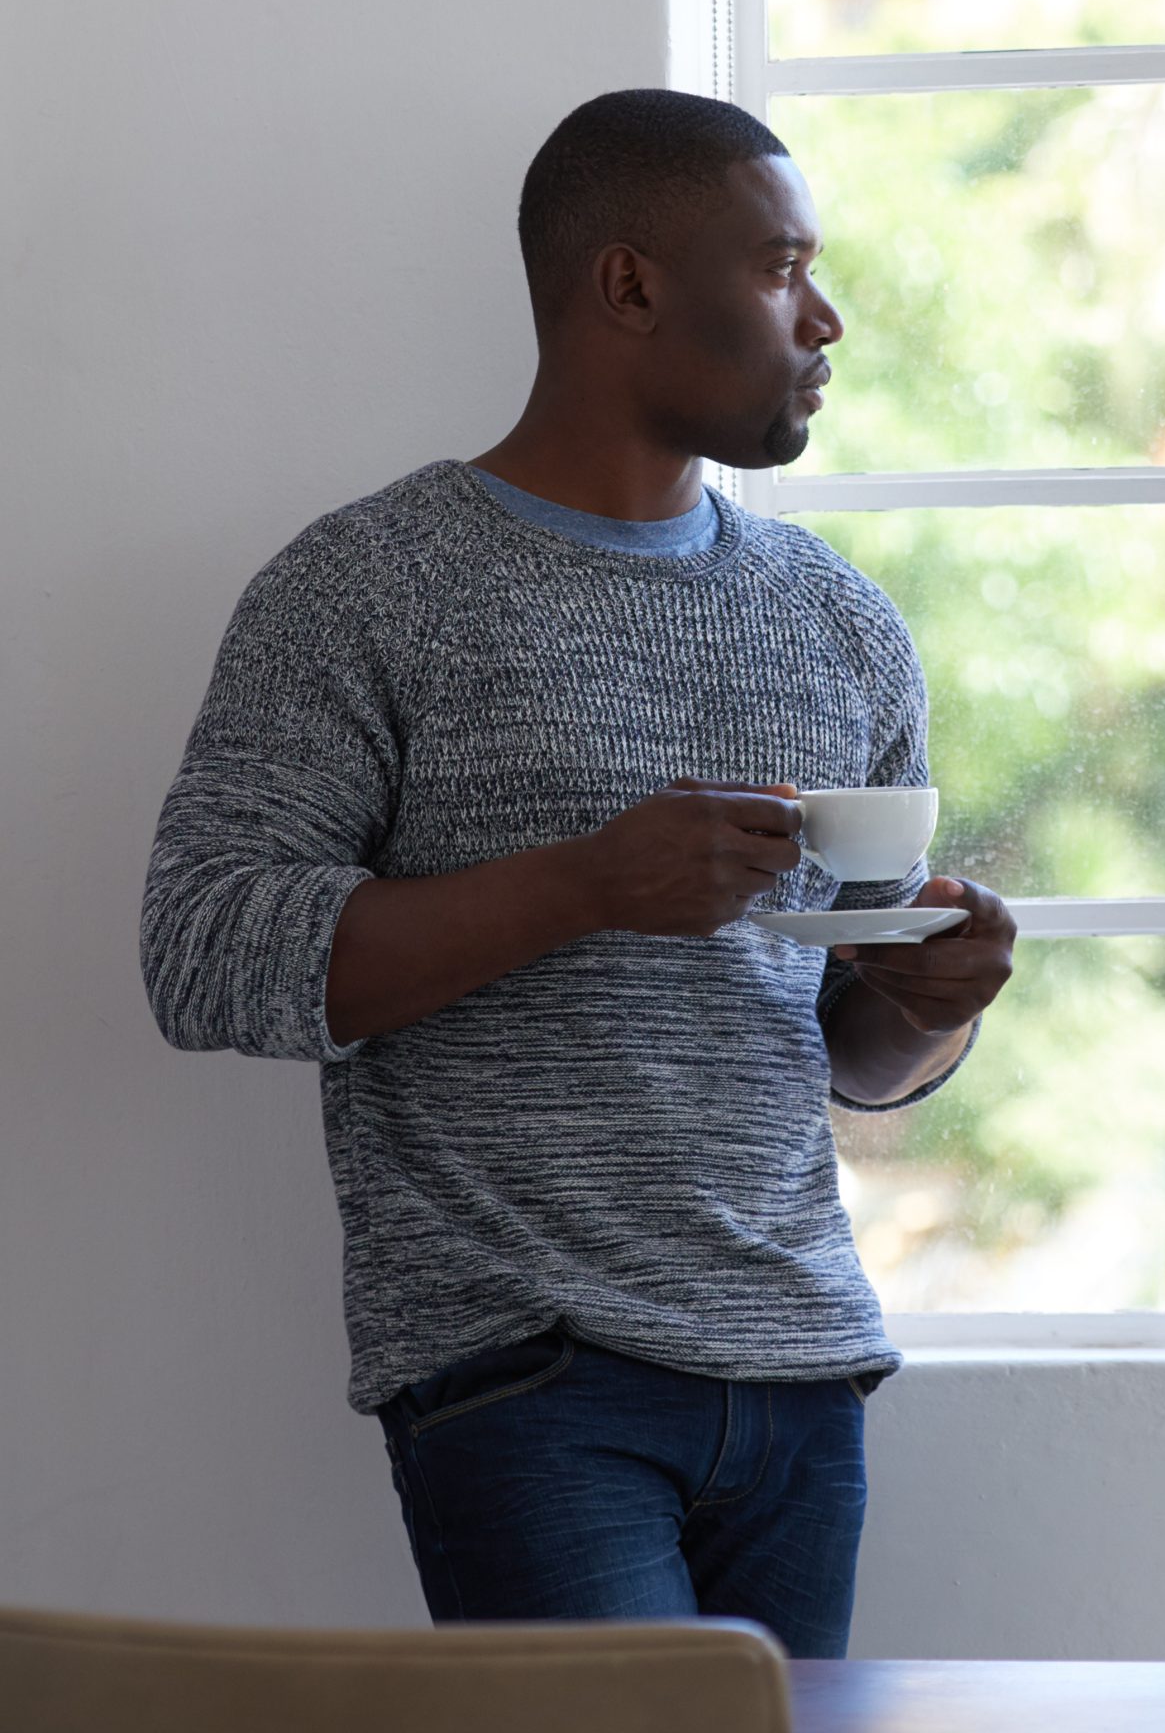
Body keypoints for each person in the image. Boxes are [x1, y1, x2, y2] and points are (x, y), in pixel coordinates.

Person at [140, 89, 1014, 1657]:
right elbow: (203, 953)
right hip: (527, 1376)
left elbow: (845, 1054)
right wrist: (585, 884)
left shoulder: (841, 621)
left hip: (804, 1370)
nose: (827, 316)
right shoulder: (364, 589)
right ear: (628, 287)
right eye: (779, 267)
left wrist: (933, 1006)